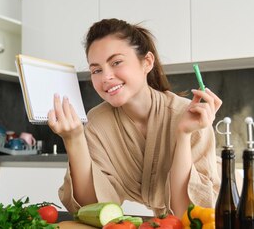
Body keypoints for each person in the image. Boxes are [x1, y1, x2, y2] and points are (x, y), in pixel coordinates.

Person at [47, 18, 222, 216]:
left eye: (116, 62)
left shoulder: (189, 116)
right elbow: (93, 208)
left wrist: (182, 135)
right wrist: (74, 139)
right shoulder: (98, 121)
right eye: (96, 70)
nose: (106, 77)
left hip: (224, 206)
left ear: (147, 62)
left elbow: (188, 213)